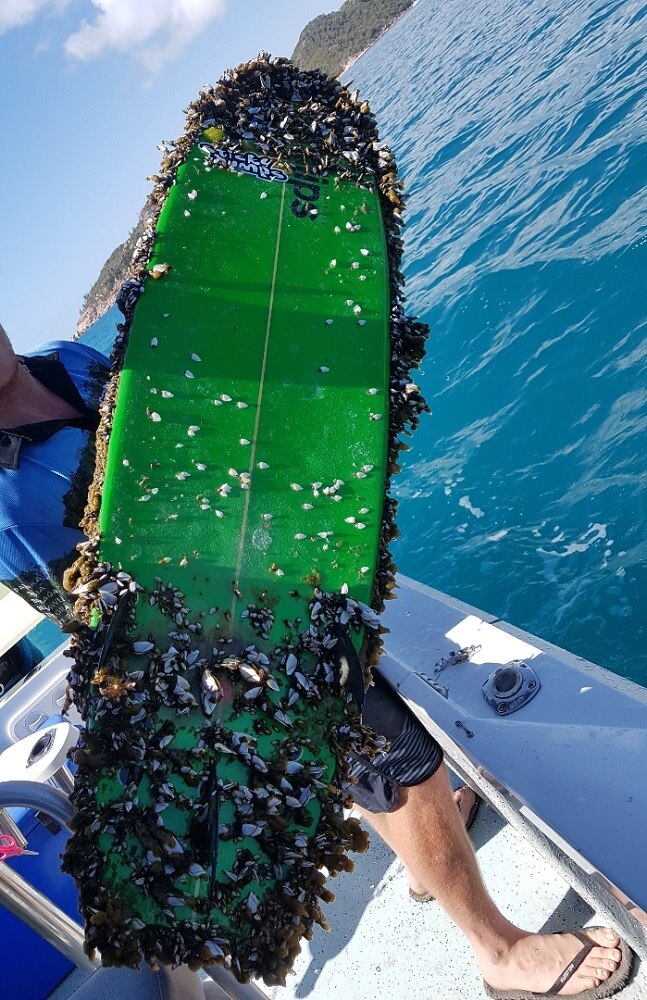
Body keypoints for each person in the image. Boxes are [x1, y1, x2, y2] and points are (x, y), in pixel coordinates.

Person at [0, 323, 631, 998]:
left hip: (263, 565)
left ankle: (422, 865)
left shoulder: (67, 363)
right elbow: (95, 612)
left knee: (378, 757)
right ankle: (498, 951)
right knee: (398, 759)